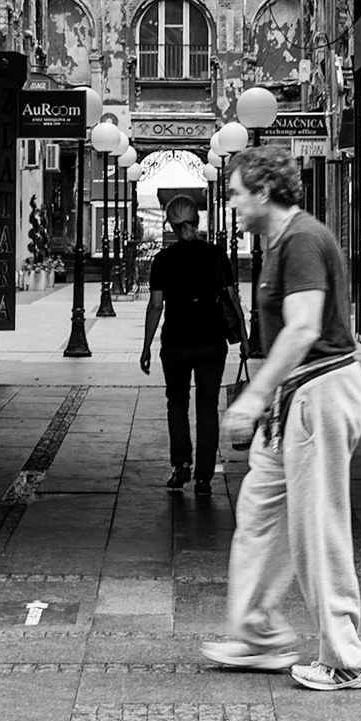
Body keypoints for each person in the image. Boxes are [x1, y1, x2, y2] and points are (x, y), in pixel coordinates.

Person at [201, 145, 361, 692]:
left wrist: (253, 397)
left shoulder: (302, 239)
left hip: (320, 392)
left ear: (263, 191)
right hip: (296, 398)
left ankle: (347, 657)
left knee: (316, 527)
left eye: (235, 193)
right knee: (258, 512)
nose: (230, 203)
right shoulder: (277, 243)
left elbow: (303, 328)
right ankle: (257, 633)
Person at [140, 194, 236, 495]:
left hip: (176, 343)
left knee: (177, 403)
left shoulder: (164, 260)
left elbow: (156, 306)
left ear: (170, 224)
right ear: (197, 221)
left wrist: (145, 347)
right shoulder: (216, 255)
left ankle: (181, 465)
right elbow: (233, 299)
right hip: (211, 342)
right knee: (207, 407)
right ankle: (205, 477)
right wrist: (244, 338)